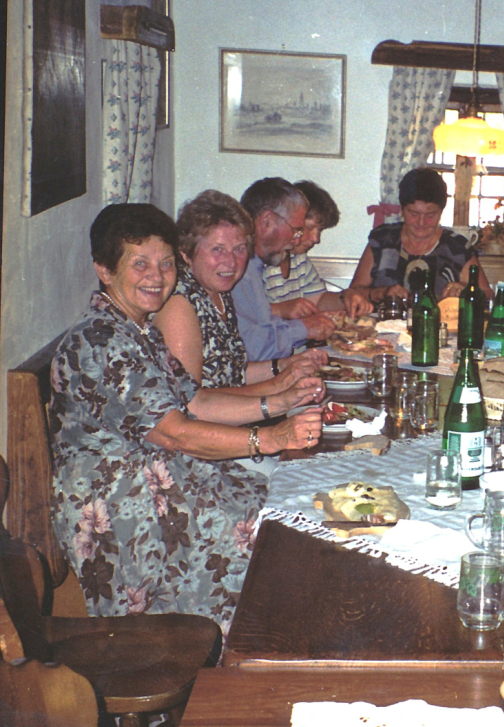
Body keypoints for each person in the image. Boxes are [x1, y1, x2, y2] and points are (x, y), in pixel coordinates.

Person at [49, 204, 324, 630]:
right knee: (268, 534)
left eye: (164, 264)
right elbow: (175, 433)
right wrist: (269, 439)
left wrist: (283, 402)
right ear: (105, 271)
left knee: (292, 505)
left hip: (165, 476)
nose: (156, 276)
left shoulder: (135, 328)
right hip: (122, 504)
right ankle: (240, 663)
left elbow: (194, 402)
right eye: (139, 264)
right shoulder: (100, 340)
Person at [153, 189, 326, 392]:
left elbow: (232, 374)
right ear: (186, 253)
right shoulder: (179, 305)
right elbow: (191, 403)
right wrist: (277, 394)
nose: (231, 262)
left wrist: (287, 366)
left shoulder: (221, 293)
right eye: (217, 249)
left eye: (239, 249)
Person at [231, 178, 337, 361]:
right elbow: (253, 349)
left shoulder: (255, 265)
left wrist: (308, 327)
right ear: (266, 222)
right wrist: (304, 329)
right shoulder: (239, 269)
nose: (297, 241)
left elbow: (265, 329)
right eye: (296, 231)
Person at [350, 168, 490, 301]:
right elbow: (354, 291)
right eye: (414, 214)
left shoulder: (457, 248)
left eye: (430, 215)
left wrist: (467, 291)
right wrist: (381, 293)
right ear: (402, 210)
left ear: (441, 212)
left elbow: (488, 295)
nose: (421, 222)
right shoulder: (382, 240)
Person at [263, 180, 370, 318]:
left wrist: (346, 297)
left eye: (320, 230)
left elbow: (317, 300)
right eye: (309, 228)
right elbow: (249, 315)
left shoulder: (298, 258)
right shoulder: (261, 261)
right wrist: (281, 309)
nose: (316, 239)